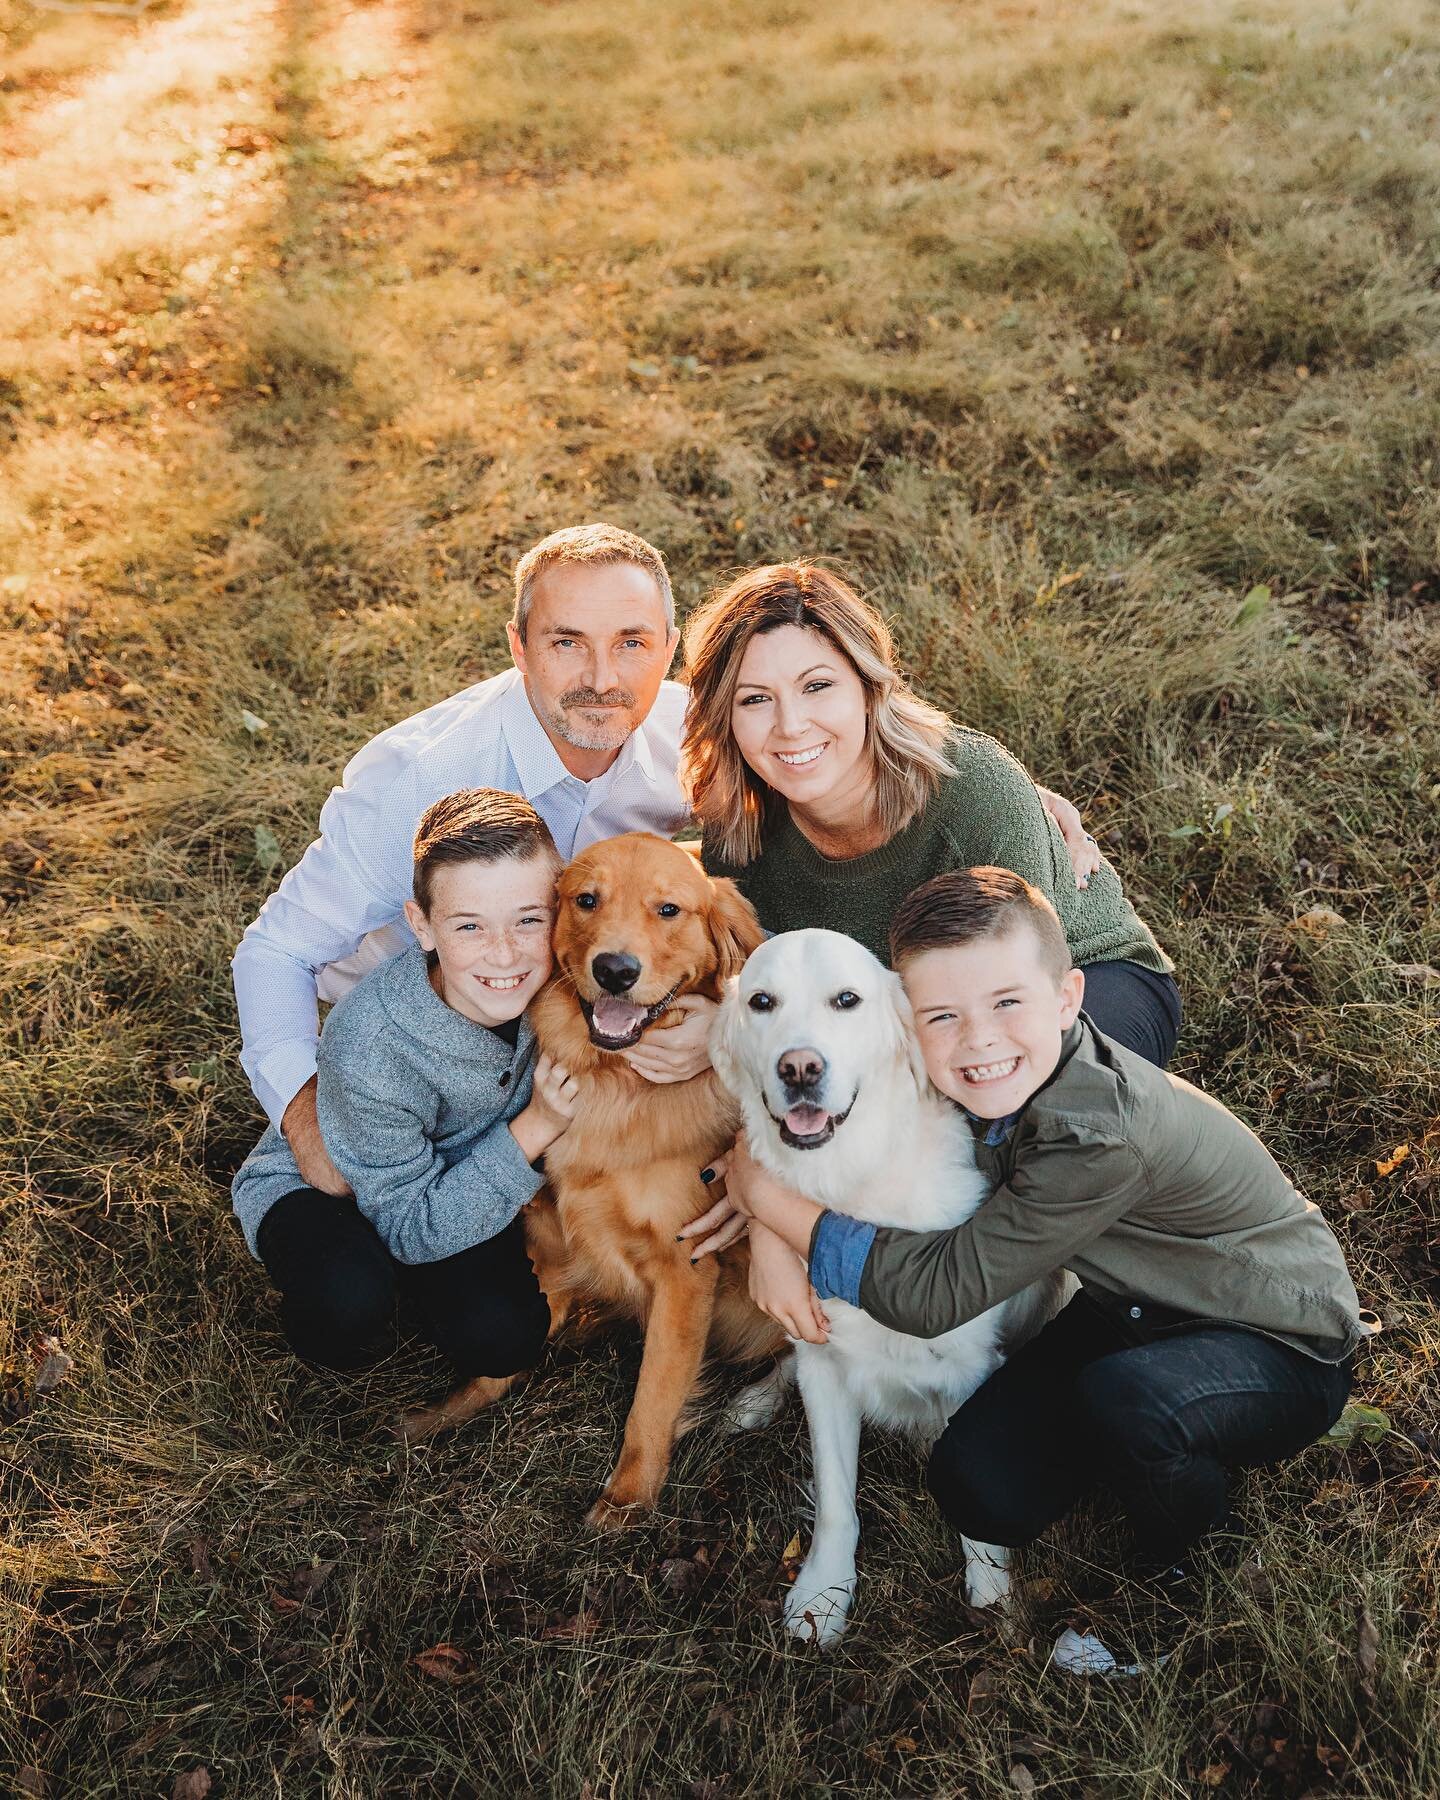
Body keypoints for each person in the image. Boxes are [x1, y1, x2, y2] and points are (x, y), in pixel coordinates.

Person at [234, 525, 1095, 1193]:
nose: (602, 677)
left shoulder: (686, 726)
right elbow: (274, 952)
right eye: (566, 642)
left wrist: (1016, 787)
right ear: (519, 645)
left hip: (565, 1002)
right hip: (409, 1025)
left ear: (669, 647)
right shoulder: (427, 780)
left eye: (632, 644)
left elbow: (821, 704)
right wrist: (308, 1114)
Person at [693, 867, 1371, 1597]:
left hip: (1276, 1335)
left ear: (1068, 998)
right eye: (944, 1015)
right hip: (1131, 1304)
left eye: (1007, 1003)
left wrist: (765, 1197)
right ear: (910, 1028)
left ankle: (1185, 1573)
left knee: (1129, 1402)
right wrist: (766, 1197)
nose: (979, 1040)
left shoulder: (1097, 1135)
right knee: (977, 1483)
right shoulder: (986, 1082)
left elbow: (934, 1294)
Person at [684, 562, 1181, 1070]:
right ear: (725, 716)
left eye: (817, 686)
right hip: (897, 1023)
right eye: (755, 699)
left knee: (1016, 1107)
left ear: (868, 685)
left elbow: (1016, 999)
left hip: (1074, 982)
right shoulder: (737, 827)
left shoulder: (973, 793)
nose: (790, 726)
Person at [232, 789, 578, 1375]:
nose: (503, 955)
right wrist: (536, 1125)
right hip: (332, 1187)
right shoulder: (372, 1041)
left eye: (527, 920)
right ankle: (349, 1278)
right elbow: (410, 1223)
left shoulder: (556, 982)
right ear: (422, 925)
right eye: (469, 926)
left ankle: (427, 1285)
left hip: (456, 1174)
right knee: (347, 1306)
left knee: (506, 1339)